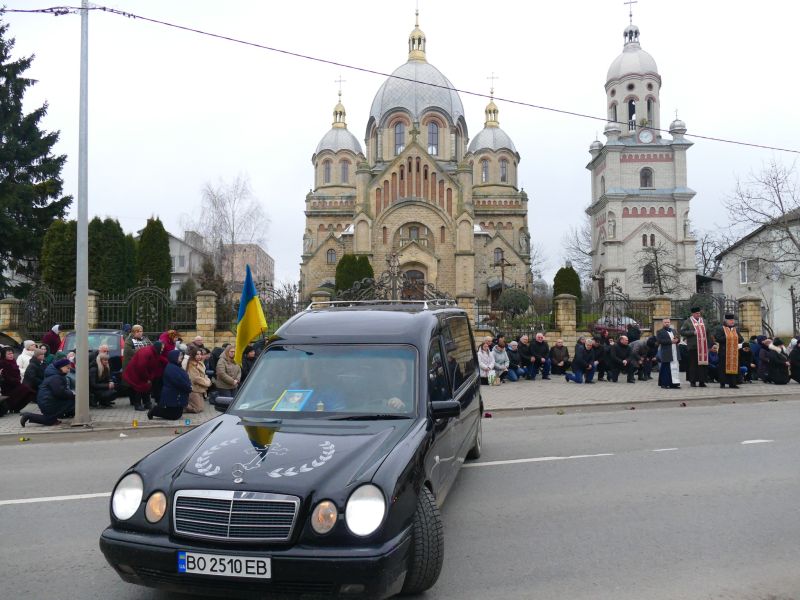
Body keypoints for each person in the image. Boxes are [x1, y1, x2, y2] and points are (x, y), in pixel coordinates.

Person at [20, 358, 75, 427]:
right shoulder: (56, 377)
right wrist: (72, 394)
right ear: (61, 367)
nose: (69, 370)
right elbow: (59, 393)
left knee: (50, 420)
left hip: (46, 402)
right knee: (74, 402)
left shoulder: (55, 375)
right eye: (67, 368)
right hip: (48, 403)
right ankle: (28, 415)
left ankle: (28, 416)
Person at [148, 349, 192, 420]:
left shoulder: (176, 366)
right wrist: (188, 387)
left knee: (177, 414)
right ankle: (155, 411)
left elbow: (184, 378)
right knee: (174, 416)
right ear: (174, 357)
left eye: (181, 355)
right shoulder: (171, 368)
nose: (181, 357)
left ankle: (157, 410)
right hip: (173, 395)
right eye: (179, 355)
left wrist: (188, 385)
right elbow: (179, 382)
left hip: (176, 395)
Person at [123, 341, 167, 411]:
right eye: (162, 348)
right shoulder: (147, 352)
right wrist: (147, 378)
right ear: (158, 348)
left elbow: (159, 360)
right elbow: (141, 366)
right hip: (135, 372)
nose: (162, 350)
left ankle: (147, 403)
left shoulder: (155, 352)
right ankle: (137, 404)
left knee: (147, 386)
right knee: (140, 387)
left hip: (141, 372)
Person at [0, 346, 36, 412]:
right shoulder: (2, 363)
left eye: (12, 353)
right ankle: (12, 407)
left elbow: (17, 372)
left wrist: (18, 379)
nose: (11, 355)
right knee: (28, 390)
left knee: (30, 393)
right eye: (9, 354)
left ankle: (16, 408)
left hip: (16, 384)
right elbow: (6, 376)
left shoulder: (13, 361)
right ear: (4, 355)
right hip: (8, 387)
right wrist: (15, 380)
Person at [680, 307, 709, 387]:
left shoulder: (704, 321)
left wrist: (710, 343)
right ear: (692, 314)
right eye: (696, 313)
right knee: (693, 365)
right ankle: (692, 381)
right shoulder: (688, 321)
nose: (698, 315)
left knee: (702, 365)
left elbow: (708, 332)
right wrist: (693, 332)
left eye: (699, 313)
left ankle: (702, 381)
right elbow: (682, 331)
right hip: (693, 347)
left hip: (703, 347)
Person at [712, 313, 743, 389]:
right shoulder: (720, 328)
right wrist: (729, 337)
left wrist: (734, 338)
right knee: (723, 368)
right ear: (726, 321)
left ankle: (733, 383)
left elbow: (741, 339)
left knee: (734, 368)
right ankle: (722, 383)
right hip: (724, 351)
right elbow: (718, 338)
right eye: (730, 320)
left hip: (734, 352)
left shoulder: (735, 329)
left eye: (733, 320)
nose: (732, 321)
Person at [656, 318, 681, 389]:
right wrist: (671, 341)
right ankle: (664, 384)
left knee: (675, 368)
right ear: (663, 323)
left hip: (675, 352)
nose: (667, 323)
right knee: (665, 368)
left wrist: (677, 340)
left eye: (668, 322)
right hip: (666, 352)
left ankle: (674, 383)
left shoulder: (673, 330)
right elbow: (660, 341)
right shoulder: (660, 331)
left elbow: (678, 339)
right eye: (665, 322)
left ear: (670, 323)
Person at [186, 346, 211, 413]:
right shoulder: (191, 364)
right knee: (198, 409)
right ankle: (182, 405)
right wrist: (207, 383)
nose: (199, 356)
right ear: (193, 355)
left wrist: (206, 380)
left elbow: (204, 375)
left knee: (201, 408)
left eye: (200, 354)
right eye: (197, 354)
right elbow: (195, 379)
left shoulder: (200, 363)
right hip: (194, 389)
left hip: (200, 388)